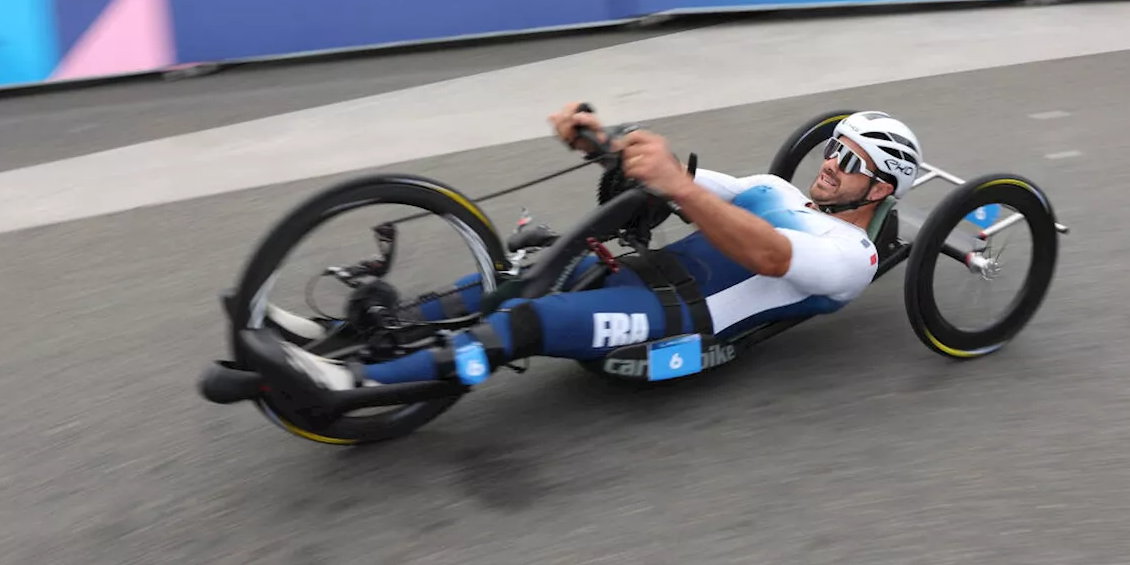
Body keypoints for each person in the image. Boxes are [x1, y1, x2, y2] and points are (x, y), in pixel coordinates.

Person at [241, 105, 923, 415]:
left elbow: (771, 255)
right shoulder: (776, 189)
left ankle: (348, 383)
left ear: (882, 188)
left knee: (524, 322)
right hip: (636, 273)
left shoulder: (851, 254)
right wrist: (604, 142)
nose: (829, 165)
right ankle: (341, 334)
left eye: (851, 162)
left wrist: (680, 186)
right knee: (504, 279)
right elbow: (692, 180)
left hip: (676, 322)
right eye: (833, 148)